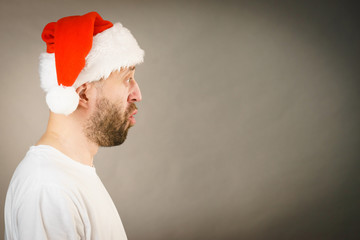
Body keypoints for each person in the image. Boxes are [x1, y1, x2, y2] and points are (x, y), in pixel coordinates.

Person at [4, 11, 144, 240]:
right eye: (127, 79)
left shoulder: (67, 176)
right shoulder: (50, 189)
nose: (137, 94)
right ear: (82, 95)